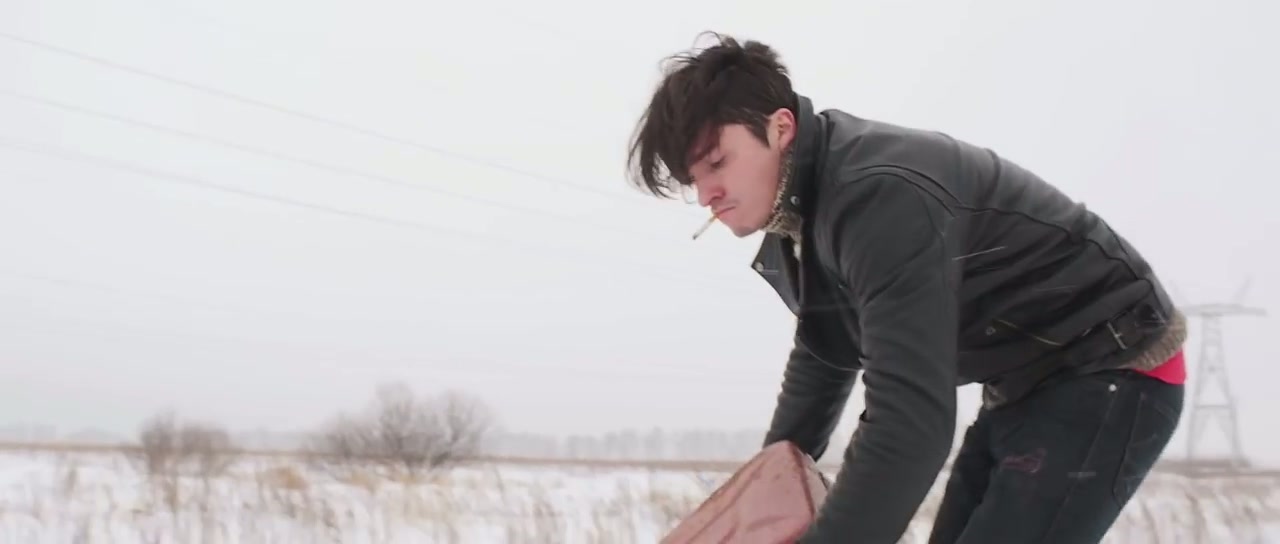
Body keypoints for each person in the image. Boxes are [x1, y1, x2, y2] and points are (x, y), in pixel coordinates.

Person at [625, 33, 1187, 543]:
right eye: (694, 179)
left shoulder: (878, 198)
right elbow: (824, 351)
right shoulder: (806, 211)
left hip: (1113, 362)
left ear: (780, 128)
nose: (706, 194)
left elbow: (910, 426)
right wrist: (763, 497)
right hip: (1025, 383)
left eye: (717, 162)